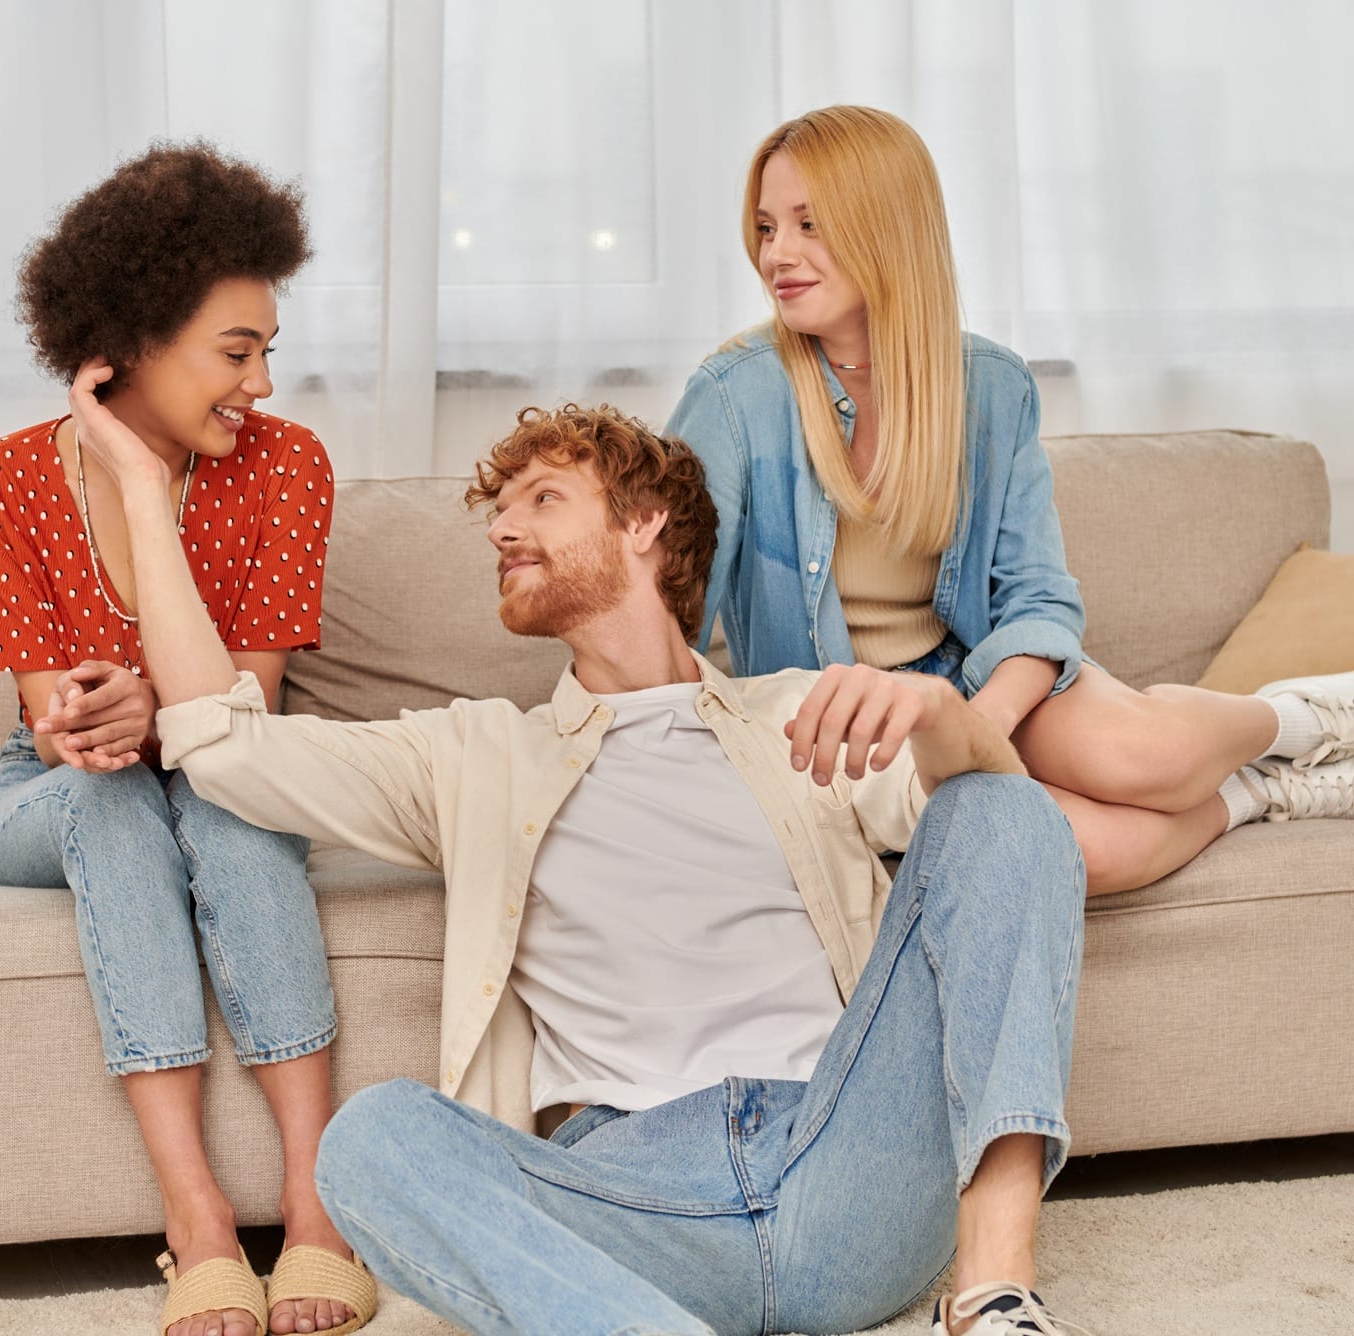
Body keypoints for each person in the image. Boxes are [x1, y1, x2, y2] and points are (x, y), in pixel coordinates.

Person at [75, 382, 1096, 1335]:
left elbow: (991, 827)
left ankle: (994, 1293)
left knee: (1005, 808)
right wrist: (139, 489)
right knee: (371, 1139)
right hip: (627, 1201)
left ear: (646, 523)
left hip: (845, 1155)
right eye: (500, 511)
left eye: (543, 499)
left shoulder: (797, 711)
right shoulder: (477, 755)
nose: (503, 528)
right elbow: (219, 743)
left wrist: (935, 705)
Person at [664, 105, 1354, 894]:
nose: (778, 253)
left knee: (1145, 758)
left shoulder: (990, 385)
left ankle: (1304, 720)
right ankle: (1260, 795)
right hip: (859, 722)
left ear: (888, 225)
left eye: (810, 224)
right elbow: (670, 622)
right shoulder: (734, 398)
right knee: (1076, 852)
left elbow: (1036, 596)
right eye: (768, 228)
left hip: (978, 677)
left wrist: (980, 722)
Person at [0, 142, 370, 1336]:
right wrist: (108, 713)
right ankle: (198, 1219)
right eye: (238, 353)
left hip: (223, 758)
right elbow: (58, 723)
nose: (265, 384)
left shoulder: (289, 470)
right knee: (114, 799)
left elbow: (250, 711)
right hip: (55, 790)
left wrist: (142, 490)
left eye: (269, 350)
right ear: (128, 339)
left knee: (237, 800)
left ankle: (316, 1205)